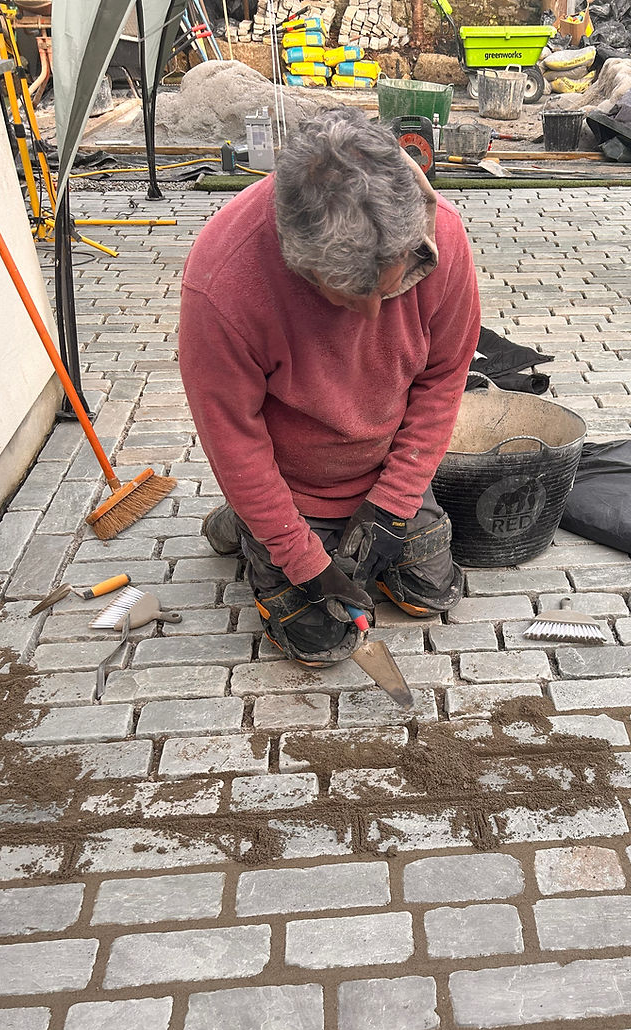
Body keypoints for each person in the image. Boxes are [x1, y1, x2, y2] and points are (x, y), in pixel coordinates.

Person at [178, 106, 480, 665]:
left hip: (384, 466)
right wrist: (297, 554)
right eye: (346, 298)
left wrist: (394, 502)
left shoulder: (441, 237)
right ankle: (251, 521)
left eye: (387, 290)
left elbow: (442, 377)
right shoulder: (222, 283)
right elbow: (233, 439)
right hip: (291, 483)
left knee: (428, 597)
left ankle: (257, 521)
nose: (371, 317)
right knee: (322, 645)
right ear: (303, 265)